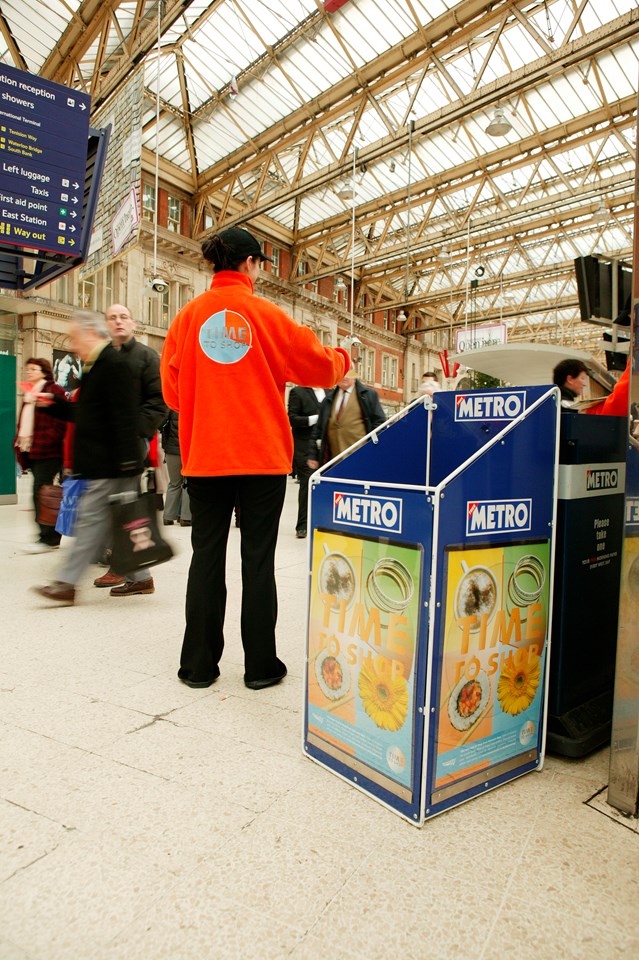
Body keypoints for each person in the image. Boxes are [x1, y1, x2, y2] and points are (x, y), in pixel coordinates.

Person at [160, 225, 349, 690]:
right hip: (261, 456)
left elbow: (172, 392)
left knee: (206, 558)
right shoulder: (268, 315)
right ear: (250, 264)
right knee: (257, 561)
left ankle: (199, 667)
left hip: (205, 456)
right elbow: (323, 367)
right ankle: (262, 667)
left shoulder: (187, 317)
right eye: (262, 264)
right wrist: (344, 357)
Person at [32, 310, 152, 605]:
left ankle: (66, 584)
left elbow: (125, 416)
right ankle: (141, 578)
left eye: (75, 337)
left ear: (89, 333)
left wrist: (127, 463)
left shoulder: (112, 363)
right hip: (108, 462)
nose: (72, 344)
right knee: (118, 524)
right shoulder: (96, 364)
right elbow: (88, 416)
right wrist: (55, 406)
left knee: (90, 524)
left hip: (113, 463)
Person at [93, 303, 167, 590]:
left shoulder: (146, 356)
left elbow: (159, 401)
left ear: (133, 323)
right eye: (112, 317)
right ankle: (128, 569)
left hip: (128, 448)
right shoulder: (102, 357)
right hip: (102, 449)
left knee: (124, 507)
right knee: (109, 508)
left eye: (123, 317)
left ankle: (136, 574)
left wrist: (134, 431)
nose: (118, 321)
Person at [14, 358, 66, 552]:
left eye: (33, 369)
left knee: (40, 491)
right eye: (28, 369)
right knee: (41, 491)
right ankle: (49, 534)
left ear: (44, 372)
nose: (29, 372)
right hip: (32, 449)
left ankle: (48, 536)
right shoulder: (30, 395)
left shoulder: (54, 391)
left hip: (50, 450)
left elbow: (61, 420)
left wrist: (51, 438)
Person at [307, 375, 386, 469]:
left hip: (360, 460)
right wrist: (313, 455)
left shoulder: (367, 395)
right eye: (341, 374)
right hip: (333, 462)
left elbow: (380, 424)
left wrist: (371, 451)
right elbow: (318, 429)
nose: (345, 377)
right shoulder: (329, 399)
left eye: (349, 374)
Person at [287, 386, 325, 538]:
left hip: (323, 449)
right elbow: (292, 419)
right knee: (307, 484)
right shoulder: (298, 392)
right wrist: (315, 419)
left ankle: (321, 522)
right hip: (304, 448)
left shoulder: (329, 392)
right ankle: (302, 525)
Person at [161, 409, 191, 526]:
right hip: (188, 450)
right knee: (188, 483)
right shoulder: (191, 408)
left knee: (174, 483)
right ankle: (186, 518)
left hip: (172, 451)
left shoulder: (170, 408)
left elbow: (161, 425)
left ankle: (168, 516)